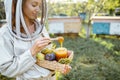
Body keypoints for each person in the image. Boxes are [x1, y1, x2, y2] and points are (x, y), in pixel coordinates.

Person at [0, 0, 71, 80]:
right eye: (34, 5)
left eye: (39, 6)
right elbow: (7, 69)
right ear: (18, 5)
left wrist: (59, 65)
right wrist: (32, 52)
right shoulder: (5, 34)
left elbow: (48, 56)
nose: (38, 9)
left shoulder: (40, 28)